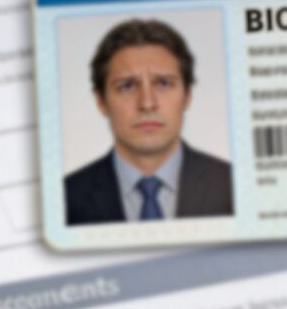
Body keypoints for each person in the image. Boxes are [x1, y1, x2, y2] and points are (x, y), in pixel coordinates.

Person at [63, 18, 234, 224]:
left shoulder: (234, 185)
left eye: (163, 84)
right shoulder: (66, 198)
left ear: (187, 95)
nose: (147, 103)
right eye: (127, 86)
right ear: (101, 101)